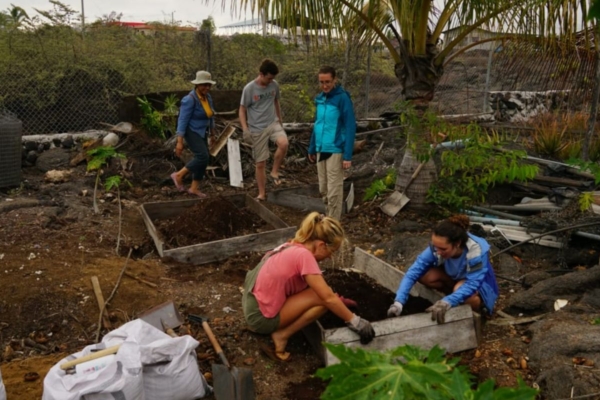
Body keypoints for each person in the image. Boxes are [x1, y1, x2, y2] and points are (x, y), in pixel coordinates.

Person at [242, 212, 375, 361]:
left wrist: (340, 301)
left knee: (321, 295)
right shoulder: (304, 256)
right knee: (322, 299)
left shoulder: (290, 245)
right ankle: (281, 336)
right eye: (332, 251)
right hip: (261, 319)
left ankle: (279, 333)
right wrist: (355, 321)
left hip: (253, 306)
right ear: (320, 245)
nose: (330, 257)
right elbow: (327, 297)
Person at [387, 215, 499, 324]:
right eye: (436, 247)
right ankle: (453, 296)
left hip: (479, 287)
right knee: (427, 276)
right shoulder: (437, 248)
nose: (438, 252)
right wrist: (399, 302)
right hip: (454, 279)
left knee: (463, 292)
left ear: (457, 244)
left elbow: (473, 283)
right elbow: (413, 272)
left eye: (443, 249)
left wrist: (447, 302)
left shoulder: (476, 252)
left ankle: (478, 311)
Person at [308, 66, 356, 220]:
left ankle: (333, 225)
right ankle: (329, 219)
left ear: (334, 80)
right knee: (323, 189)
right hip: (321, 149)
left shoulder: (342, 98)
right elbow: (317, 124)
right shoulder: (320, 99)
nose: (325, 85)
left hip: (335, 150)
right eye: (321, 82)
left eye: (328, 82)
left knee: (334, 190)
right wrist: (311, 148)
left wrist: (347, 155)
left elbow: (350, 126)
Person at [239, 58, 289, 201]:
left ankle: (274, 171)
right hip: (256, 128)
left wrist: (280, 120)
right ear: (261, 74)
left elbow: (276, 101)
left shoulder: (274, 85)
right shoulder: (249, 89)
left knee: (284, 143)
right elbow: (242, 110)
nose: (271, 81)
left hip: (272, 123)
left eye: (273, 78)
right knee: (260, 163)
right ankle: (262, 193)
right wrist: (245, 129)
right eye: (269, 78)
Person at [171, 70, 217, 199]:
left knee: (204, 159)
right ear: (197, 85)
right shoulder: (190, 99)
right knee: (202, 156)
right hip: (191, 131)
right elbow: (182, 120)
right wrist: (179, 142)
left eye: (209, 85)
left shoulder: (208, 98)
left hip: (202, 131)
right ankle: (179, 175)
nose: (207, 87)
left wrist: (213, 134)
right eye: (204, 85)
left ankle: (194, 188)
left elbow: (211, 116)